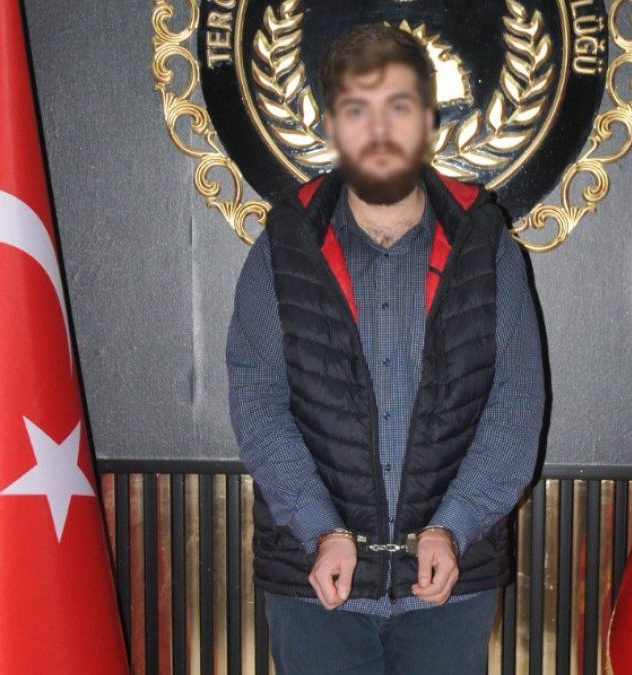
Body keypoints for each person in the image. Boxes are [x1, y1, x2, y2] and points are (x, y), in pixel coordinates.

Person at [225, 22, 545, 674]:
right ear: (330, 126)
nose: (378, 130)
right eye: (357, 110)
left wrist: (452, 525)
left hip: (451, 583)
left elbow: (516, 405)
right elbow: (258, 403)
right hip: (314, 582)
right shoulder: (283, 246)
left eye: (397, 107)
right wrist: (322, 528)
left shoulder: (489, 248)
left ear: (428, 121)